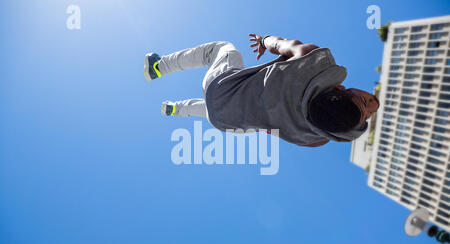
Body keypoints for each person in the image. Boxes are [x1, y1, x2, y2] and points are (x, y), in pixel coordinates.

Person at [143, 34, 379, 147]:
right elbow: (340, 132)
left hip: (222, 88)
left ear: (340, 88)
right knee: (217, 112)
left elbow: (280, 44)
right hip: (228, 123)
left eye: (366, 101)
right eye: (370, 107)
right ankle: (176, 109)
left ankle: (159, 67)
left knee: (222, 49)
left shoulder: (309, 60)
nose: (369, 110)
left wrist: (263, 40)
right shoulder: (314, 139)